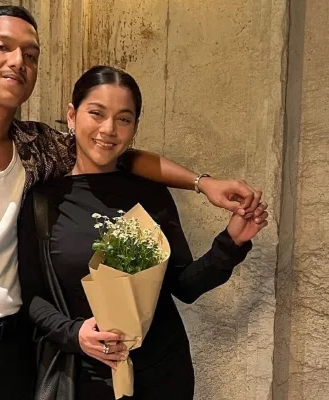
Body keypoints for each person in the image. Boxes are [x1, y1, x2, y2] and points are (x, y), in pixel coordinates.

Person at [0, 6, 264, 400]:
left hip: (19, 345)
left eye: (30, 54)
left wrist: (203, 184)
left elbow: (117, 153)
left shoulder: (36, 148)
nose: (17, 61)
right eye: (2, 47)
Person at [17, 65, 269, 400]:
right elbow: (31, 297)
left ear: (135, 127)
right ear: (72, 116)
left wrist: (232, 242)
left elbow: (184, 286)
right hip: (81, 378)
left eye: (123, 119)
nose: (109, 129)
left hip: (160, 375)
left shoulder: (151, 193)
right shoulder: (43, 201)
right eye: (97, 113)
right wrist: (74, 334)